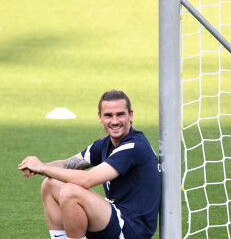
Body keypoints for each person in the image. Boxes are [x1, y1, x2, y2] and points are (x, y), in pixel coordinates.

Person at [18, 89, 162, 239]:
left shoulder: (133, 146)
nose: (114, 121)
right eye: (108, 115)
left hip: (132, 229)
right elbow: (67, 164)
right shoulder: (105, 143)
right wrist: (38, 167)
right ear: (100, 117)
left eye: (120, 114)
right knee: (50, 184)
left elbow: (87, 180)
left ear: (130, 115)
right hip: (114, 216)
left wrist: (42, 167)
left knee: (70, 191)